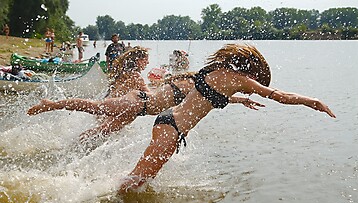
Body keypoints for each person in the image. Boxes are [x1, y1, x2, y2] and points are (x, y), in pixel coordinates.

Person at [117, 43, 336, 194]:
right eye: (257, 84)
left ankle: (115, 200)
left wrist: (239, 101)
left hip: (170, 124)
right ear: (253, 74)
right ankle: (103, 197)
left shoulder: (219, 70)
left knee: (141, 180)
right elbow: (280, 96)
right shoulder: (241, 80)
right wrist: (313, 101)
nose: (253, 91)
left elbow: (205, 96)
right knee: (136, 181)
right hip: (171, 128)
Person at [27, 72, 264, 137]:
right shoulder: (194, 85)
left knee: (102, 132)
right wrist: (238, 98)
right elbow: (211, 95)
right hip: (137, 104)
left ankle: (77, 144)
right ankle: (52, 104)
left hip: (139, 108)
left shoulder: (192, 85)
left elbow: (211, 96)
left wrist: (240, 99)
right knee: (94, 106)